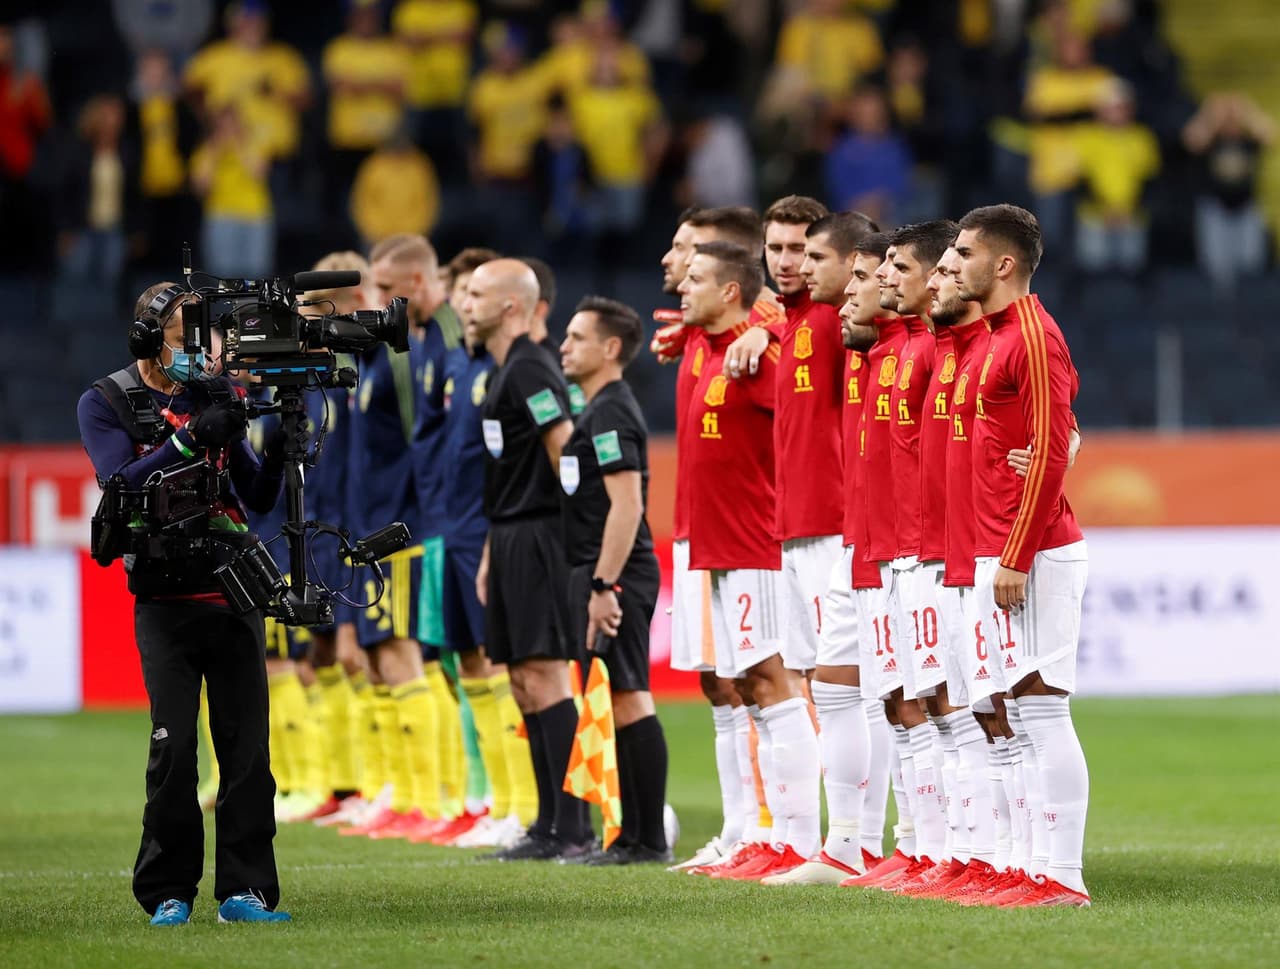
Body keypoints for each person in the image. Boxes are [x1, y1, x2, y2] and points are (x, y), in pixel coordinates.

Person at [76, 282, 288, 924]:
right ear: (148, 336)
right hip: (164, 598)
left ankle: (244, 892)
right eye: (186, 330)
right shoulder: (106, 400)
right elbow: (120, 483)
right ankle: (168, 892)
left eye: (208, 331)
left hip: (232, 590)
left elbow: (256, 496)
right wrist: (191, 440)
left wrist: (279, 440)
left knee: (247, 752)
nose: (205, 346)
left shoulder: (219, 396)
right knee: (173, 749)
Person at [953, 203, 1090, 907]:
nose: (956, 263)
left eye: (966, 253)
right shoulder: (1001, 337)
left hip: (1031, 550)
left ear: (1003, 264)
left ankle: (1061, 874)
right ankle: (1028, 866)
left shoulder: (1033, 335)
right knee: (1009, 705)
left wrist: (1014, 553)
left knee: (1040, 707)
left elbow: (1051, 451)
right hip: (1000, 546)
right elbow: (1060, 433)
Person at [677, 241, 818, 882]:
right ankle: (771, 835)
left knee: (772, 684)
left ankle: (800, 839)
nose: (683, 285)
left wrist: (765, 333)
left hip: (758, 546)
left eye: (697, 277)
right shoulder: (707, 350)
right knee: (749, 693)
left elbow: (802, 435)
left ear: (732, 290)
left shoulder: (757, 359)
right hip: (721, 550)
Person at [466, 258, 593, 861]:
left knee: (544, 677)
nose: (465, 304)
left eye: (476, 293)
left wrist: (574, 541)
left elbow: (564, 449)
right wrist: (494, 550)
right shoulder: (504, 370)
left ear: (512, 305)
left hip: (541, 537)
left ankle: (572, 827)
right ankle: (547, 824)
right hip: (512, 535)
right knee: (522, 681)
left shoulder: (531, 368)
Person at [435, 248, 542, 850]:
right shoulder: (464, 366)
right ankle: (504, 803)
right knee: (473, 664)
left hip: (492, 531)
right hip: (459, 530)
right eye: (462, 293)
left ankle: (528, 805)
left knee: (510, 666)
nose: (462, 304)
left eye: (473, 295)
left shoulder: (518, 369)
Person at [558, 296, 670, 865]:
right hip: (599, 570)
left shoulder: (611, 412)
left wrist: (604, 586)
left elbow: (627, 506)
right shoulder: (595, 409)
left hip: (616, 572)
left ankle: (648, 840)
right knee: (617, 696)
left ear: (610, 349)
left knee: (629, 697)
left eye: (576, 337)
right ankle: (628, 835)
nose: (563, 346)